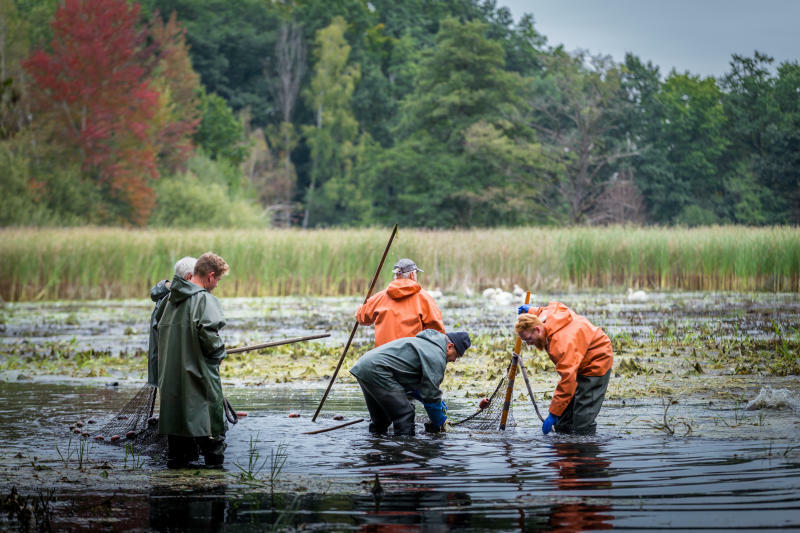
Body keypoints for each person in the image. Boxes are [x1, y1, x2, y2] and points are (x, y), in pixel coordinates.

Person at [156, 252, 230, 468]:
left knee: (177, 454)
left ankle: (174, 495)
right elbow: (209, 335)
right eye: (218, 280)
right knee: (213, 444)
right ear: (210, 276)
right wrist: (219, 354)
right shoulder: (205, 300)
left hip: (171, 389)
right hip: (200, 383)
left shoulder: (167, 300)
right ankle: (215, 490)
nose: (216, 285)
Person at [516, 302, 613, 436]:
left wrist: (553, 413)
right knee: (562, 422)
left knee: (582, 421)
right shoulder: (545, 317)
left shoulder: (560, 345)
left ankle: (587, 450)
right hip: (577, 357)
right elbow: (550, 308)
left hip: (596, 360)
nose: (529, 344)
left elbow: (568, 380)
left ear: (538, 330)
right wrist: (531, 309)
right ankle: (565, 450)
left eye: (528, 339)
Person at [349, 329, 471, 435]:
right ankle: (405, 453)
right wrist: (440, 421)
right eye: (457, 355)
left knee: (382, 420)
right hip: (378, 370)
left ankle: (375, 448)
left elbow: (414, 385)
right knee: (405, 414)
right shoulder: (437, 356)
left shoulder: (426, 344)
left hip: (364, 367)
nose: (455, 360)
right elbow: (431, 395)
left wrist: (435, 403)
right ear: (450, 346)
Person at [356, 258, 445, 347]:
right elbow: (438, 332)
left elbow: (362, 317)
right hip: (410, 357)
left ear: (396, 276)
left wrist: (360, 308)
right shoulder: (425, 298)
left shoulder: (379, 297)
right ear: (412, 275)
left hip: (382, 357)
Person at [147, 256, 196, 386]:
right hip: (170, 372)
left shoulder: (165, 296)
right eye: (198, 277)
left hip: (162, 371)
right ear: (189, 277)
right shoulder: (173, 301)